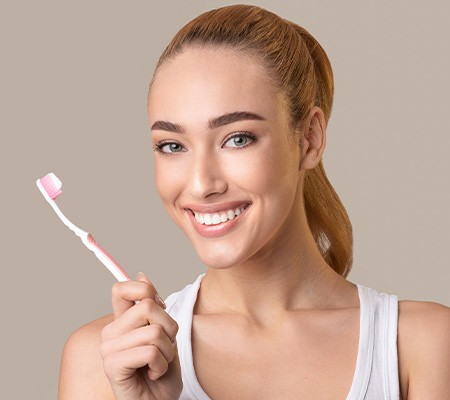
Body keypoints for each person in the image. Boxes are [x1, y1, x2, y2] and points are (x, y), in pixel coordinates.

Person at [58, 4, 450, 400]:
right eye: (172, 145)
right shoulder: (102, 363)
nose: (201, 184)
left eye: (237, 139)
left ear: (309, 140)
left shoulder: (420, 347)